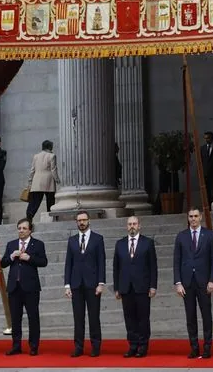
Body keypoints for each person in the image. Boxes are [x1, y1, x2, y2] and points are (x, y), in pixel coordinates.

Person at [173, 207, 213, 359]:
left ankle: (207, 347)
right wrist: (178, 282)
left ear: (201, 218)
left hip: (204, 281)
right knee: (190, 316)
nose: (193, 219)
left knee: (206, 315)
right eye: (190, 216)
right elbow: (176, 261)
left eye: (195, 216)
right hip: (187, 283)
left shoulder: (210, 235)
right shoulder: (181, 236)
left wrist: (212, 280)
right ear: (188, 218)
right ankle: (194, 347)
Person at [1, 217, 48, 356]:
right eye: (19, 228)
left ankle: (33, 346)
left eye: (24, 228)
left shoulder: (38, 244)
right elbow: (2, 263)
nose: (21, 231)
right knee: (15, 318)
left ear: (30, 230)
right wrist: (11, 256)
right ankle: (16, 345)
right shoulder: (11, 244)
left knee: (33, 317)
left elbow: (43, 261)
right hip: (14, 286)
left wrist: (29, 258)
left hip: (31, 287)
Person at [64, 210, 107, 358]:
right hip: (76, 284)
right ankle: (78, 346)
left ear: (89, 221)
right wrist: (67, 285)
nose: (81, 223)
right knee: (78, 317)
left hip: (93, 284)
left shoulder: (98, 239)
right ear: (76, 222)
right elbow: (68, 263)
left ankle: (95, 346)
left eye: (84, 220)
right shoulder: (72, 240)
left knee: (94, 317)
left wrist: (101, 283)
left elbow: (101, 262)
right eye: (79, 220)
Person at [114, 215, 158, 358]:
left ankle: (143, 346)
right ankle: (132, 345)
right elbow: (116, 267)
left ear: (139, 226)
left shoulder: (148, 243)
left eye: (134, 223)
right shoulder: (119, 244)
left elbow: (153, 267)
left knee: (143, 318)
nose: (132, 226)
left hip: (142, 287)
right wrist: (116, 288)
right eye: (129, 224)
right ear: (127, 226)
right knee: (129, 318)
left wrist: (153, 286)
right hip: (126, 287)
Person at [25, 139, 60, 222]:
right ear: (50, 147)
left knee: (34, 202)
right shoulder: (52, 156)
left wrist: (30, 181)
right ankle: (51, 217)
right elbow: (53, 170)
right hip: (49, 181)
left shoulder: (36, 156)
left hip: (37, 181)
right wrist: (57, 180)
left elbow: (32, 170)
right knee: (50, 200)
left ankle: (29, 216)